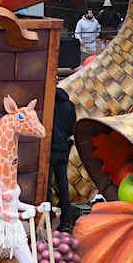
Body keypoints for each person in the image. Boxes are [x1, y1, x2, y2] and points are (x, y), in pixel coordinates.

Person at [50, 87, 76, 231]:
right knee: (63, 185)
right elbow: (72, 128)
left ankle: (48, 218)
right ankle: (66, 222)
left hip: (50, 149)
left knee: (47, 186)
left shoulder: (48, 104)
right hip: (64, 149)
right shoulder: (69, 105)